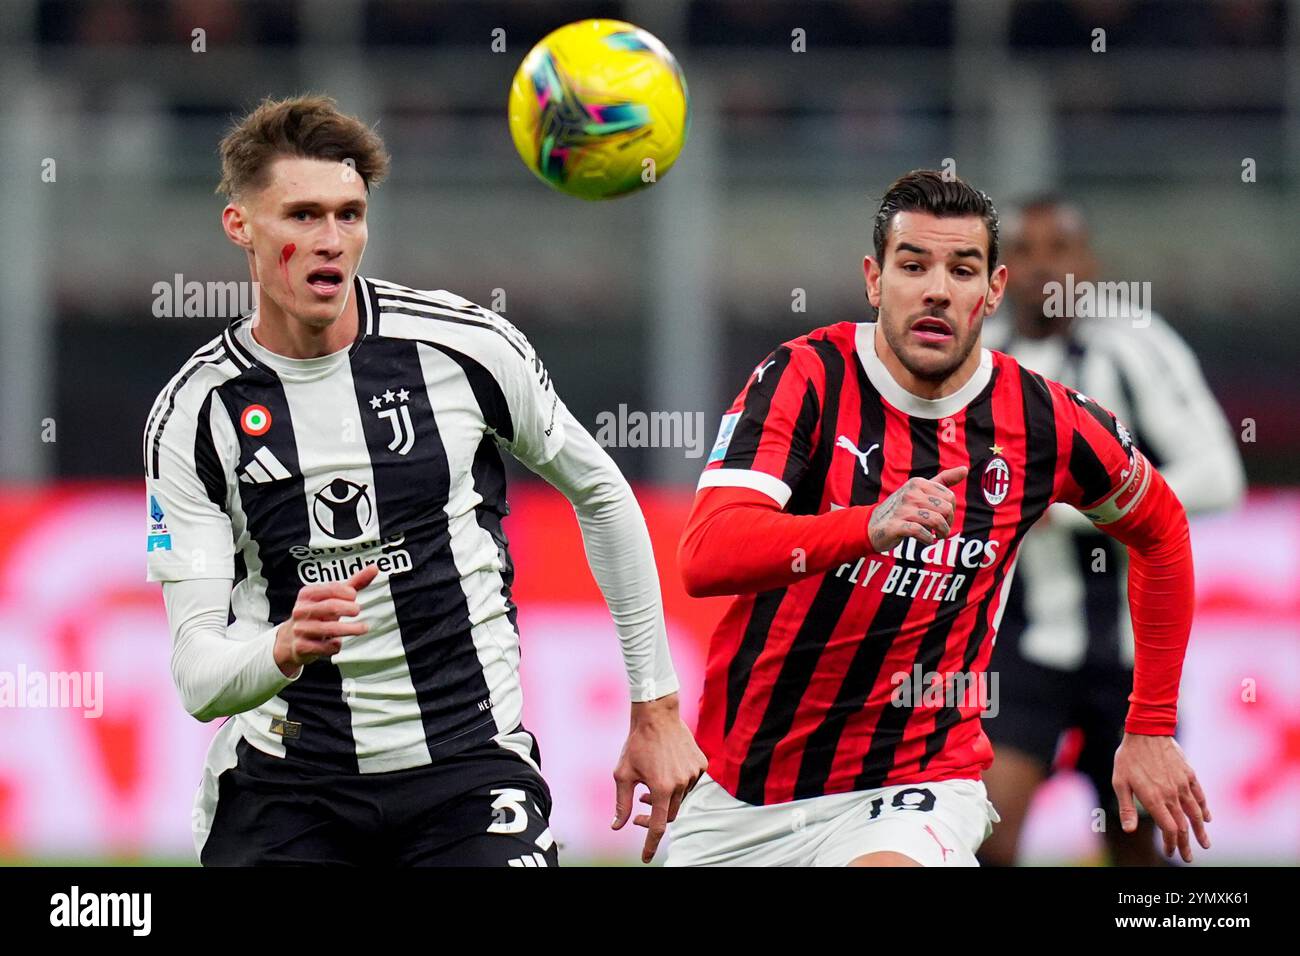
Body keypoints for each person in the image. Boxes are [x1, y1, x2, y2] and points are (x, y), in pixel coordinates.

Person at [142, 94, 705, 866]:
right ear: (241, 225)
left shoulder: (459, 349)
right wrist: (281, 647)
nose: (331, 242)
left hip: (467, 773)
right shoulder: (195, 415)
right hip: (289, 785)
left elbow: (601, 492)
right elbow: (198, 674)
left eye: (349, 214)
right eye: (302, 216)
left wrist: (656, 706)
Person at [665, 169, 1211, 867]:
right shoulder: (804, 379)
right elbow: (705, 553)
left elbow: (1161, 528)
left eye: (962, 269)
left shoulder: (1043, 420)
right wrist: (866, 526)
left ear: (992, 290)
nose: (936, 289)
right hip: (744, 790)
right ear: (874, 279)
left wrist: (1153, 725)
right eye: (913, 264)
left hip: (914, 783)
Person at [977, 196, 1244, 865]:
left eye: (1060, 248)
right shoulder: (979, 358)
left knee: (1131, 842)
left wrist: (1076, 508)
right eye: (1027, 251)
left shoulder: (1135, 345)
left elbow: (1218, 476)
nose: (1044, 267)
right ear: (1002, 270)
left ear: (1090, 261)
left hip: (1129, 652)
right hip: (1019, 642)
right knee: (987, 832)